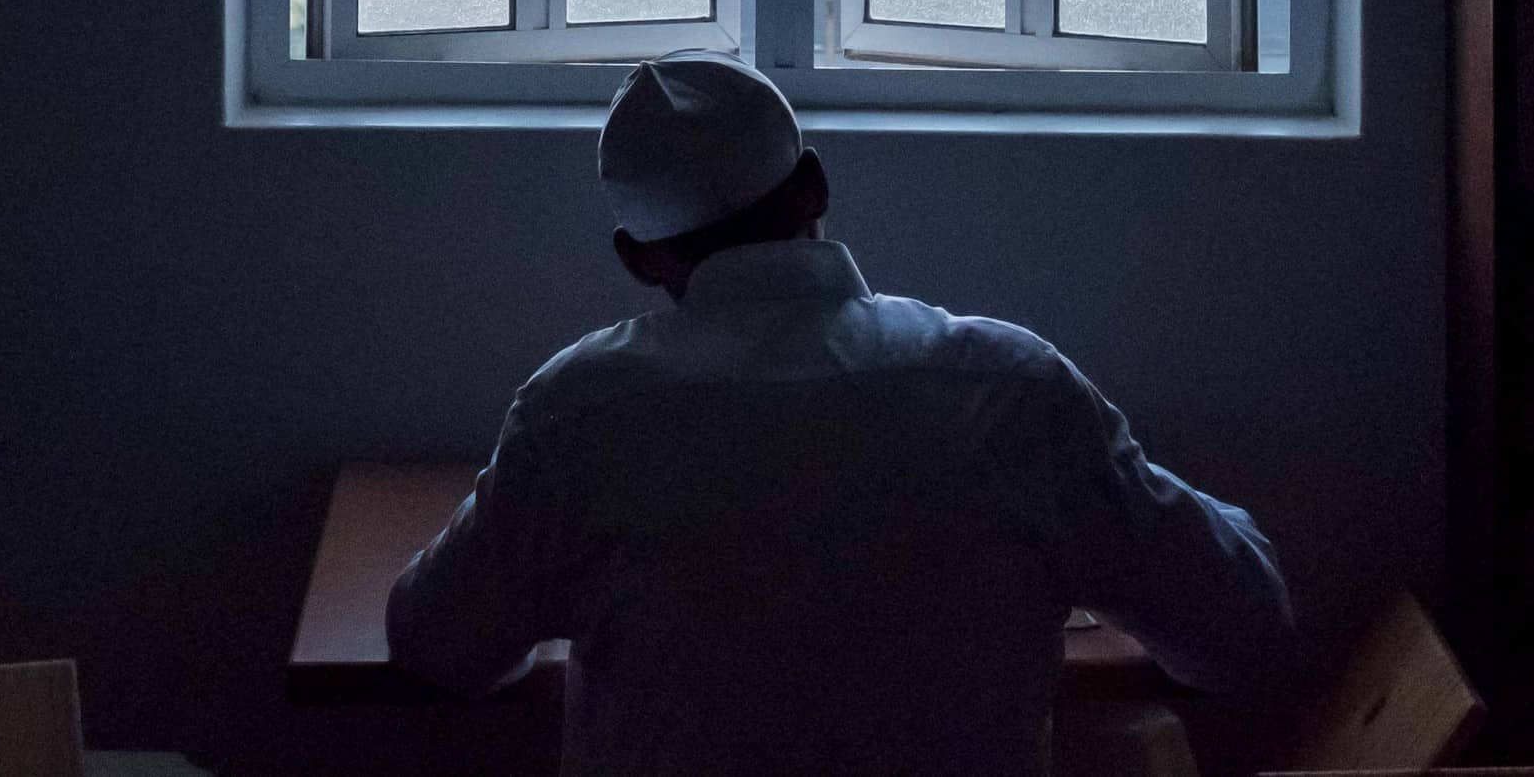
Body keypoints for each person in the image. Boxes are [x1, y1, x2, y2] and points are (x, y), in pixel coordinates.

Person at [386, 51, 1294, 777]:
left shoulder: (574, 418)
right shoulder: (1012, 392)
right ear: (814, 184)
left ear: (636, 257)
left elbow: (439, 647)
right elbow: (1244, 628)